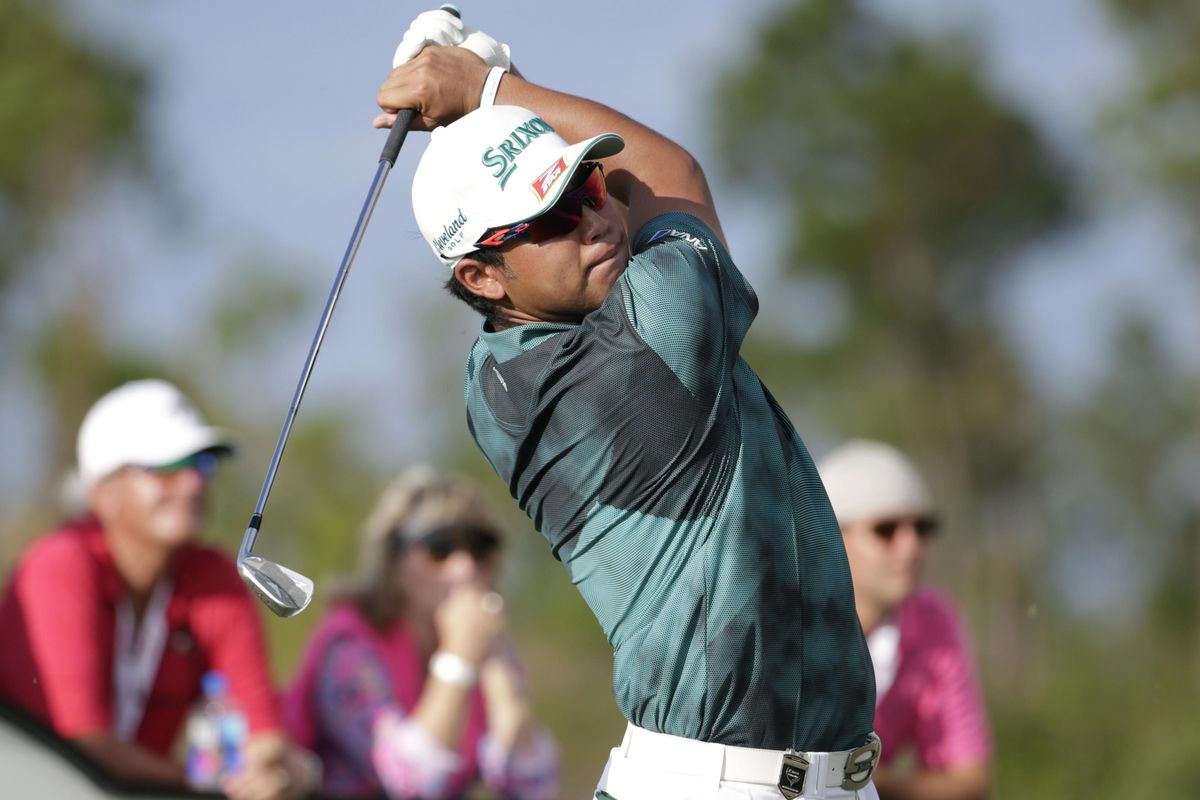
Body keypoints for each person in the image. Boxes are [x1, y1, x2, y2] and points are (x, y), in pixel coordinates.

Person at [369, 10, 880, 800]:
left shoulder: (502, 368)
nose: (597, 220)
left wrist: (494, 115)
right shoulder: (644, 351)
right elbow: (673, 177)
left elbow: (626, 200)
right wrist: (495, 89)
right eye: (553, 216)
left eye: (590, 183)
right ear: (481, 278)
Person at [0, 379, 318, 800]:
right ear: (103, 492)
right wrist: (210, 786)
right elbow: (83, 745)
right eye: (164, 467)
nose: (191, 483)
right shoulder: (60, 566)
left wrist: (268, 769)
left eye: (201, 463)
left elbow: (263, 732)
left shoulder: (214, 577)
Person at [283, 465, 558, 799]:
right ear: (394, 562)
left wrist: (498, 669)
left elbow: (531, 784)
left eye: (480, 548)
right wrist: (458, 661)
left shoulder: (483, 641)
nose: (465, 567)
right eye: (439, 548)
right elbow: (412, 781)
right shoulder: (347, 647)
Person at [817, 440, 992, 800]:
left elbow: (970, 783)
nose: (911, 547)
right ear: (829, 535)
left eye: (922, 528)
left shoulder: (933, 623)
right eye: (886, 529)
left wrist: (857, 782)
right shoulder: (777, 618)